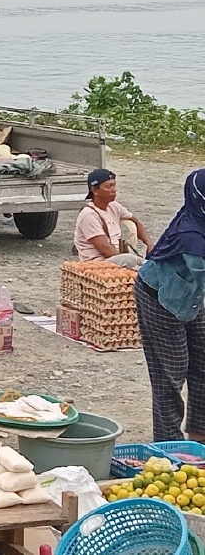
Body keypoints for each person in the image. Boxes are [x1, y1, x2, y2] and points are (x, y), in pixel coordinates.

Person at [134, 169, 205, 442]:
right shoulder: (192, 236)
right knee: (171, 373)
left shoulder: (199, 215)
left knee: (202, 364)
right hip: (159, 298)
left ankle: (199, 437)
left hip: (190, 297)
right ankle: (169, 444)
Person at [74, 169, 152, 268]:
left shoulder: (114, 206)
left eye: (114, 185)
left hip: (115, 259)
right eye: (108, 186)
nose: (114, 189)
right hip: (96, 265)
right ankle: (146, 265)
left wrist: (149, 244)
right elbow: (105, 249)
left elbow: (135, 222)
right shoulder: (88, 215)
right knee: (129, 260)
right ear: (95, 191)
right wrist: (133, 262)